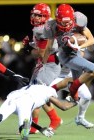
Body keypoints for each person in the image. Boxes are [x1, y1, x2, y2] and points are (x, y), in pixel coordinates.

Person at [42, 4, 94, 127]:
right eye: (62, 23)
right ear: (57, 20)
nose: (66, 26)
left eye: (68, 23)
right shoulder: (51, 26)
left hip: (75, 56)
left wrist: (79, 46)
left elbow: (91, 40)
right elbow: (48, 48)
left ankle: (80, 117)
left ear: (73, 19)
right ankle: (72, 90)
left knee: (87, 96)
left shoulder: (79, 20)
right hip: (65, 58)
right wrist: (43, 64)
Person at [0, 84, 78, 140]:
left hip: (14, 95)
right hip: (27, 100)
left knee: (0, 115)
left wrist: (41, 128)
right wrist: (75, 103)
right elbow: (63, 107)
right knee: (25, 125)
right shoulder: (50, 93)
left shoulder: (35, 86)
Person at [22, 3, 62, 133]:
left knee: (38, 93)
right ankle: (34, 126)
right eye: (33, 14)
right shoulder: (43, 27)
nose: (35, 17)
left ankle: (55, 119)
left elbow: (41, 53)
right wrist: (32, 44)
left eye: (38, 15)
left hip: (50, 64)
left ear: (45, 16)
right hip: (43, 64)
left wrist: (29, 48)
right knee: (31, 93)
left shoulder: (43, 29)